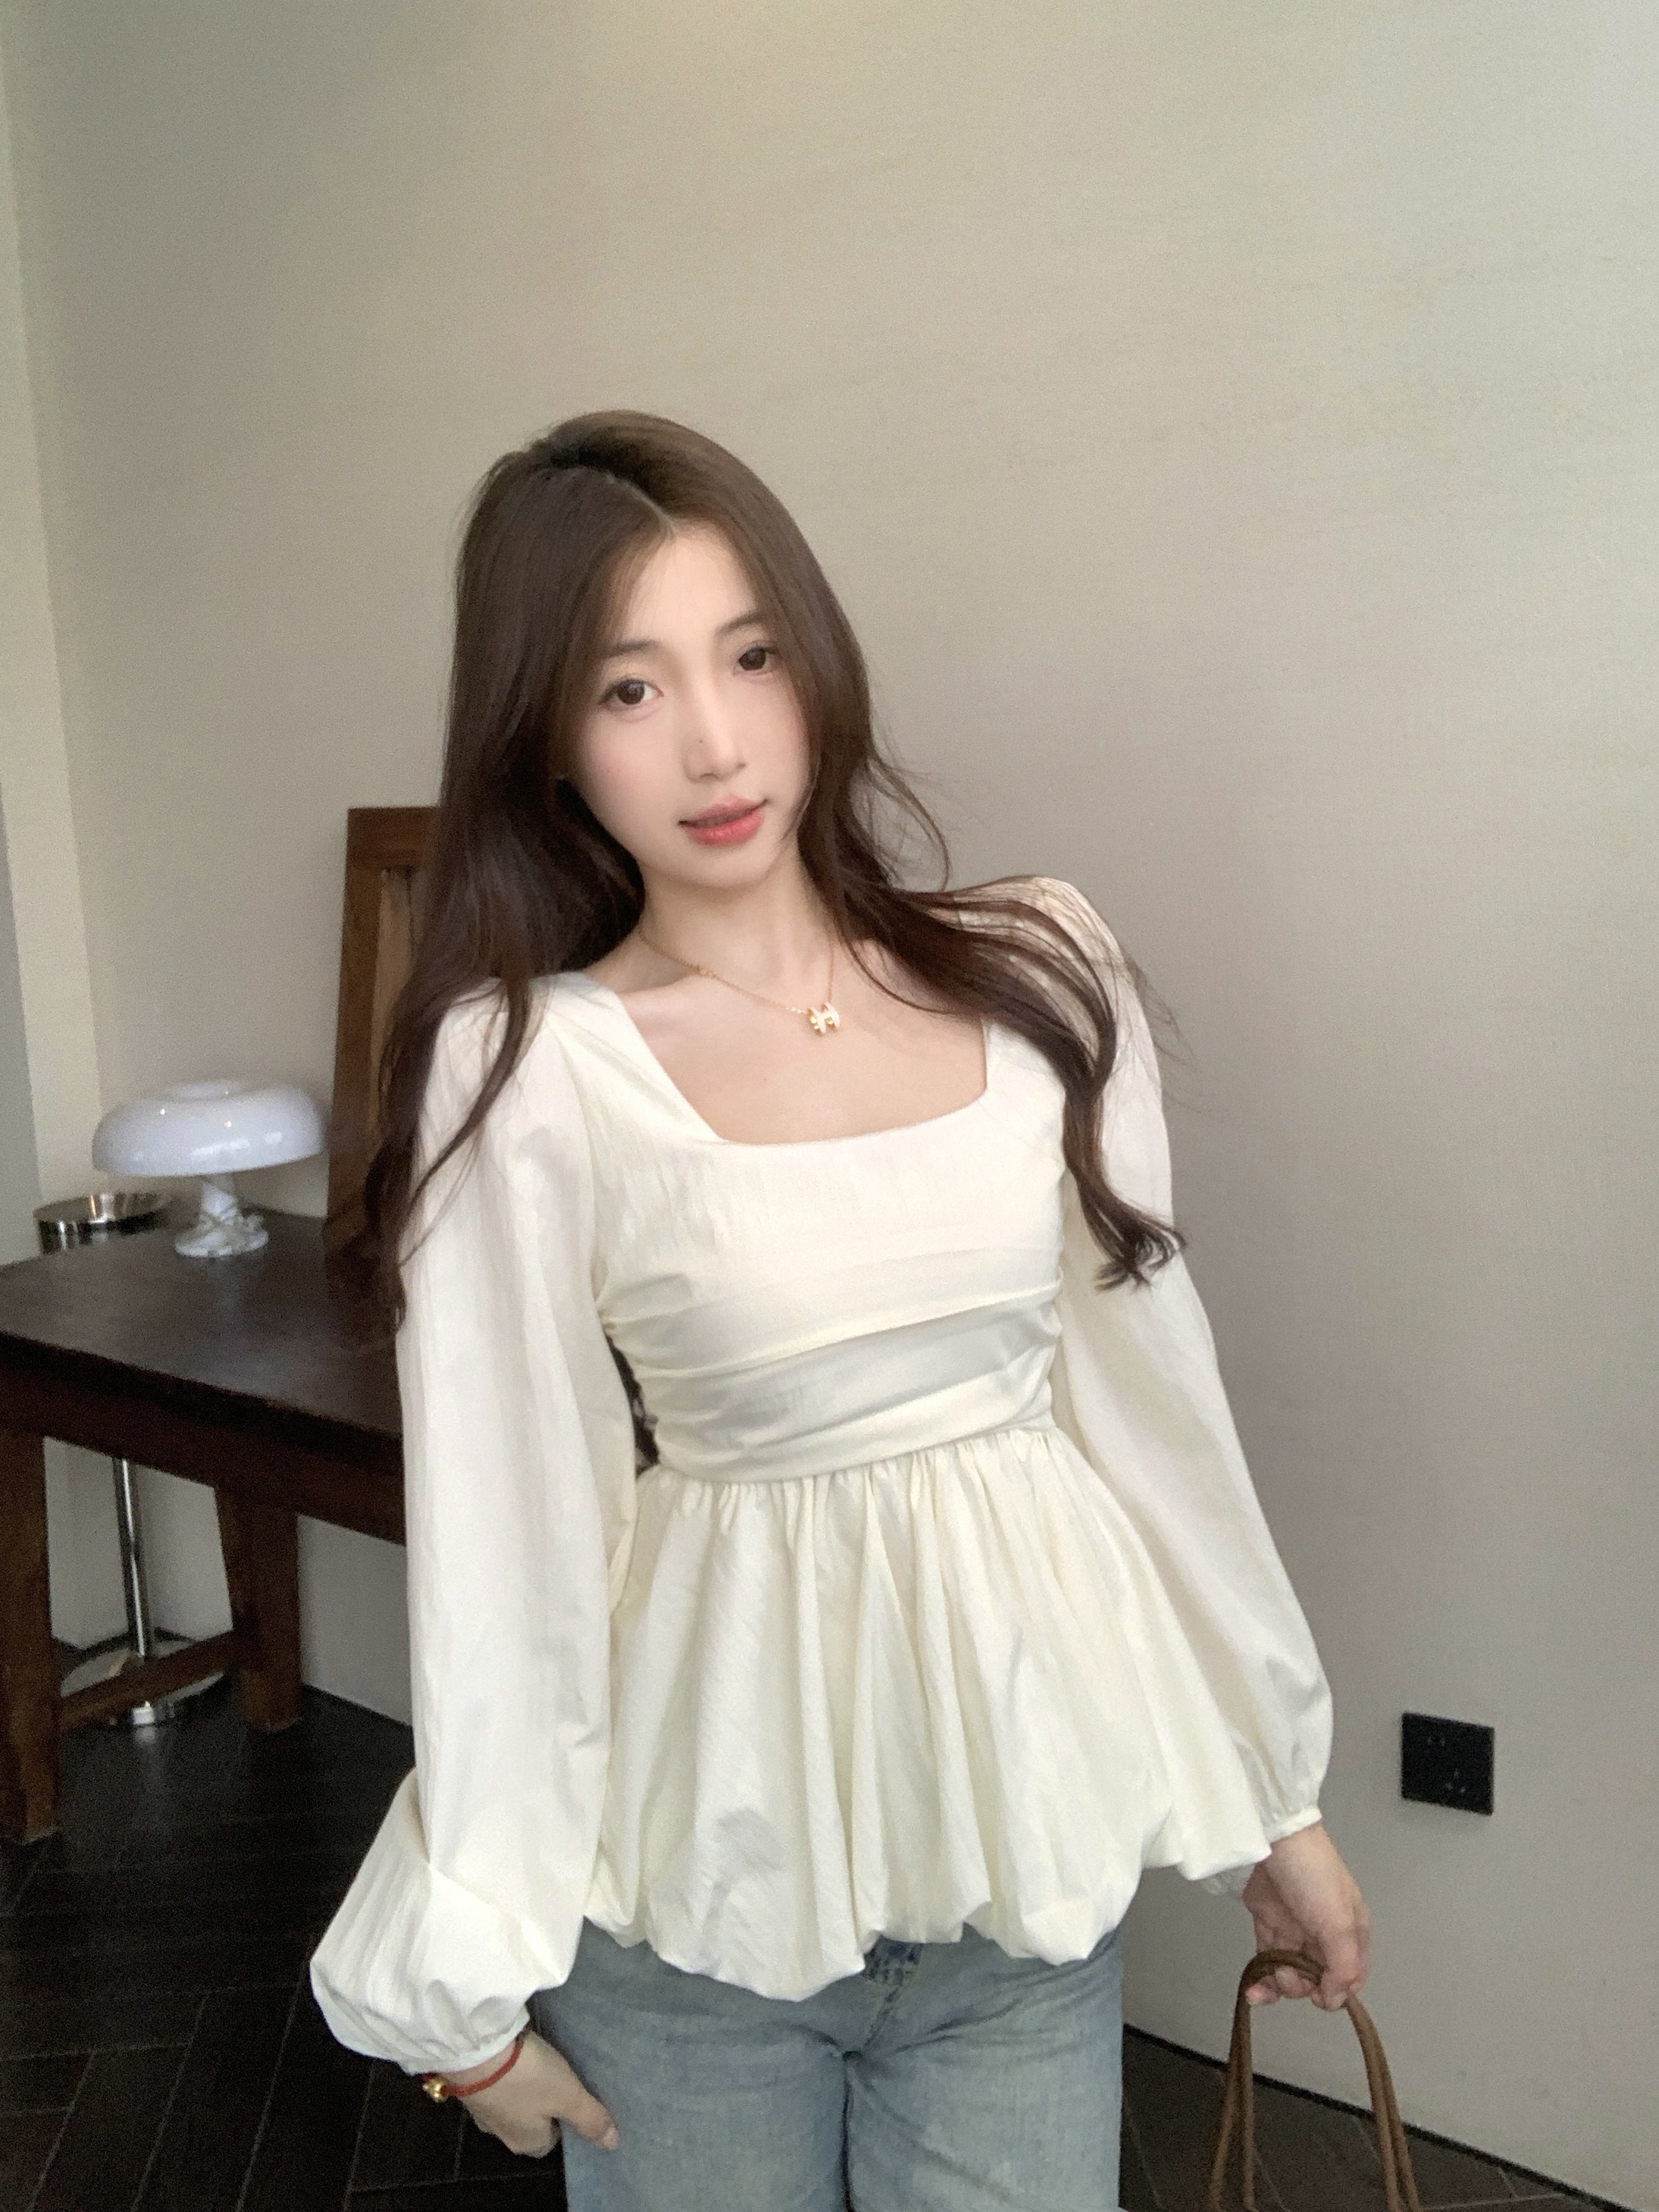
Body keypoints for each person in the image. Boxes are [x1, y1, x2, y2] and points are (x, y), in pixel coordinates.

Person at [310, 409, 1368, 2211]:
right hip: (695, 1924)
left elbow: (1151, 1419)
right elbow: (513, 1550)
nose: (715, 743)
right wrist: (462, 2001)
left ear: (817, 663)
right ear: (547, 737)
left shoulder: (1041, 969)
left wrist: (1280, 1798)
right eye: (628, 688)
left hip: (1019, 1895)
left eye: (751, 656)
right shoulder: (532, 1070)